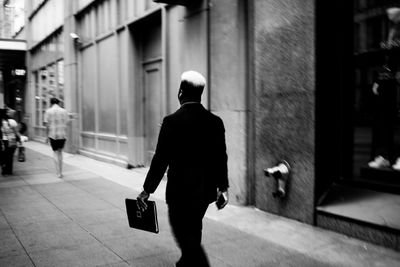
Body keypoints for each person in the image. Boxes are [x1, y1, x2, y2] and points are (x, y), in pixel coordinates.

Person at [136, 70, 229, 267]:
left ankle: (195, 263)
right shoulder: (215, 122)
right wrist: (223, 188)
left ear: (180, 93)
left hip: (179, 192)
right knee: (194, 228)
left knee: (183, 233)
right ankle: (187, 261)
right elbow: (221, 158)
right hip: (204, 192)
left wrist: (146, 190)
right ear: (200, 94)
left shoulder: (171, 122)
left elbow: (160, 159)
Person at [44, 97, 69, 178]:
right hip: (62, 134)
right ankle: (61, 172)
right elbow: (67, 122)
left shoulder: (48, 111)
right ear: (58, 103)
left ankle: (57, 172)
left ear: (51, 103)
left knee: (55, 152)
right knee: (60, 152)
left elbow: (47, 125)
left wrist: (46, 136)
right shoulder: (64, 111)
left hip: (52, 134)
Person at [0, 108, 20, 175]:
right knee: (10, 156)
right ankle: (9, 170)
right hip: (11, 140)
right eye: (8, 112)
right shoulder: (12, 121)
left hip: (2, 141)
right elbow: (16, 132)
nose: (10, 113)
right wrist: (20, 139)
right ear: (5, 114)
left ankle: (3, 167)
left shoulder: (1, 122)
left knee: (3, 156)